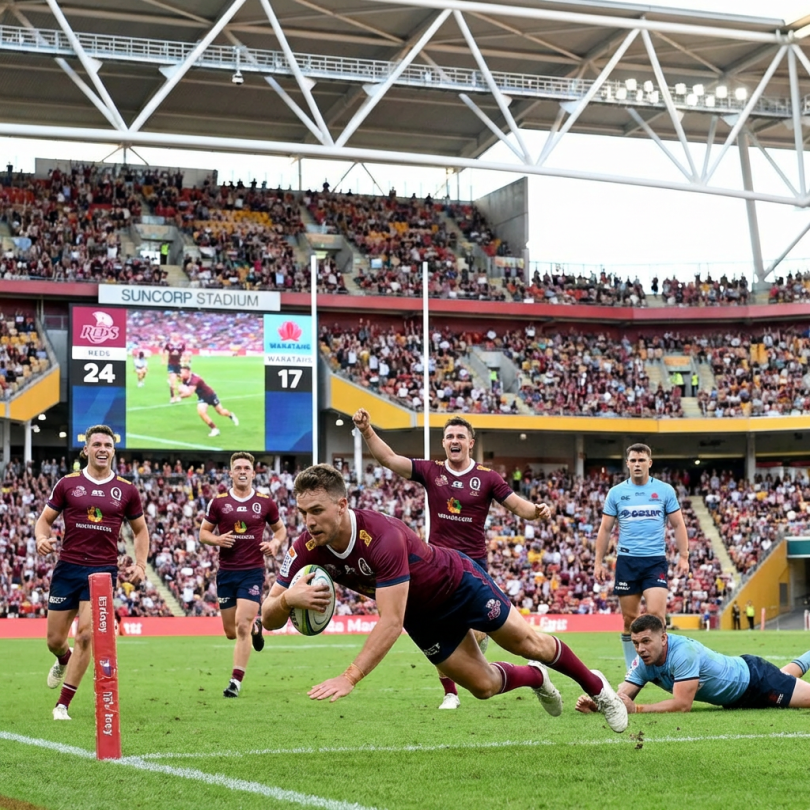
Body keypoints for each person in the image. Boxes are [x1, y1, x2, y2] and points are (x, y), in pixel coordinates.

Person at [260, 464, 628, 733]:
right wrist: (287, 599)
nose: (308, 521)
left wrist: (350, 677)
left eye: (317, 511)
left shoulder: (381, 535)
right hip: (423, 618)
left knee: (529, 642)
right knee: (483, 687)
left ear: (341, 505)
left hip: (457, 584)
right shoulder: (305, 548)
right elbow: (268, 617)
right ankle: (534, 678)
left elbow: (390, 621)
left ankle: (598, 688)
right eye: (303, 512)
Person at [353, 409, 551, 710]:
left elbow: (516, 505)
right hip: (435, 564)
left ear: (470, 442)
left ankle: (486, 664)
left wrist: (536, 511)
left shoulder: (487, 477)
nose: (454, 440)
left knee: (476, 632)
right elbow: (389, 459)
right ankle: (451, 692)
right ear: (443, 443)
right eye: (449, 437)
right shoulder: (432, 471)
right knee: (437, 630)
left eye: (460, 436)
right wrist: (368, 431)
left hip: (473, 565)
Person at [34, 424, 148, 721]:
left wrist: (140, 564)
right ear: (86, 449)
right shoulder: (68, 484)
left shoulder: (126, 490)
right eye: (96, 444)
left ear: (113, 450)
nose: (102, 449)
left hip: (102, 571)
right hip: (68, 568)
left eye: (107, 445)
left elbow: (140, 531)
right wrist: (41, 538)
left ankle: (62, 704)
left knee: (86, 635)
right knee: (55, 641)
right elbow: (44, 521)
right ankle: (63, 658)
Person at [575, 615, 810, 715]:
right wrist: (602, 706)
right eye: (636, 643)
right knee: (786, 677)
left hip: (756, 681)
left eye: (646, 641)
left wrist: (636, 710)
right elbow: (622, 697)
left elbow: (682, 705)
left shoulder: (683, 653)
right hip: (737, 695)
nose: (640, 649)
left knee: (801, 695)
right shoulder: (643, 660)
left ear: (663, 638)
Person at [594, 443, 689, 669]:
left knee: (656, 616)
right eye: (633, 460)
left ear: (650, 463)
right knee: (630, 620)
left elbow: (678, 524)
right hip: (627, 561)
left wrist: (684, 556)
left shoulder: (665, 491)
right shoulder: (616, 493)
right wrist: (598, 562)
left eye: (641, 460)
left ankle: (665, 666)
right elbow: (605, 529)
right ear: (627, 463)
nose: (637, 464)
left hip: (654, 560)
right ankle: (633, 669)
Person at [199, 451, 286, 697]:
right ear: (230, 473)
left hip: (252, 572)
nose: (242, 471)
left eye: (247, 467)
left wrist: (275, 544)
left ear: (253, 472)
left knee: (242, 625)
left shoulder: (266, 502)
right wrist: (217, 539)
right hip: (226, 573)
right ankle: (257, 630)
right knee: (230, 631)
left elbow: (280, 532)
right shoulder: (218, 502)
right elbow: (203, 534)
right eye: (238, 468)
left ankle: (235, 681)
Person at [178, 364, 238, 438]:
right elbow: (184, 385)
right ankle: (215, 429)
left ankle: (230, 415)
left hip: (210, 394)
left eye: (182, 373)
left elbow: (189, 393)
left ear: (187, 372)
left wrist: (179, 397)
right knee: (201, 412)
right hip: (202, 397)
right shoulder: (185, 378)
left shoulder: (195, 379)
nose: (180, 374)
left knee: (221, 412)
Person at [163, 331, 186, 403]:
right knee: (173, 382)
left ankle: (180, 395)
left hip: (179, 364)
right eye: (173, 336)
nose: (175, 337)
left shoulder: (182, 344)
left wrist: (184, 360)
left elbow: (184, 352)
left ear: (178, 336)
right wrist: (163, 360)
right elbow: (164, 351)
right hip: (171, 364)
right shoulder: (168, 344)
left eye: (176, 336)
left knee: (181, 381)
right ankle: (172, 397)